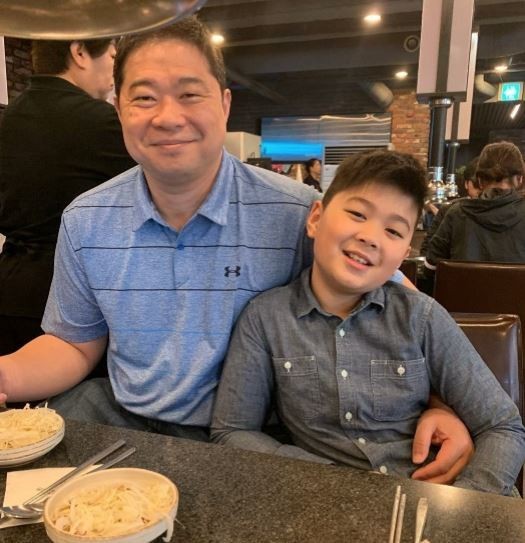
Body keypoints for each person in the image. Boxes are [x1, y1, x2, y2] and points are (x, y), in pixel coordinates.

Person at [0, 18, 471, 480]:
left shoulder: (298, 213)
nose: (168, 117)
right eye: (144, 97)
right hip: (127, 425)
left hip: (258, 440)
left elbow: (397, 310)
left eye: (190, 94)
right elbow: (74, 344)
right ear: (118, 110)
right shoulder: (86, 218)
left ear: (224, 105)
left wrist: (439, 403)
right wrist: (6, 375)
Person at [211, 150, 525, 495]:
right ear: (315, 218)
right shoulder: (266, 318)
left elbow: (503, 425)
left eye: (393, 230)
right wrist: (325, 478)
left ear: (404, 253)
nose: (371, 237)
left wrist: (468, 499)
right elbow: (233, 431)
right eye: (357, 214)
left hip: (434, 497)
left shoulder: (421, 316)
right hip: (328, 504)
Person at [0, 38, 135, 354]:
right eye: (112, 56)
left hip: (9, 291)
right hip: (76, 303)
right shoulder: (105, 123)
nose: (115, 71)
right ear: (79, 52)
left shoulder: (7, 118)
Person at [425, 141, 525, 270]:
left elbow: (430, 267)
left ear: (479, 180)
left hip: (461, 284)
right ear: (520, 179)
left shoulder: (457, 213)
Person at [419, 157, 480, 257]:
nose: (481, 189)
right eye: (476, 184)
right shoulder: (449, 210)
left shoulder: (498, 214)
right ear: (466, 184)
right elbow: (427, 250)